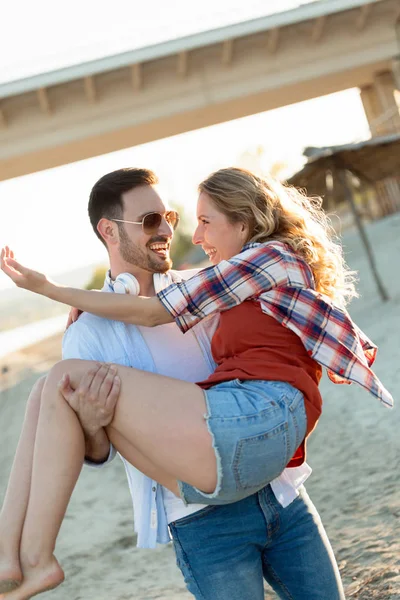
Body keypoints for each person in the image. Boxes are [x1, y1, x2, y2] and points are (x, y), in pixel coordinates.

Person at [0, 167, 393, 599]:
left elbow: (251, 340)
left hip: (278, 494)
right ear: (108, 231)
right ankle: (10, 556)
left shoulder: (204, 289)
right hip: (202, 520)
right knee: (47, 389)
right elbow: (95, 449)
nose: (168, 229)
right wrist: (93, 422)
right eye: (150, 221)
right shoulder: (88, 333)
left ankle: (30, 557)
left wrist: (57, 291)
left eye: (170, 217)